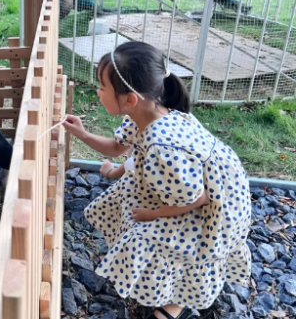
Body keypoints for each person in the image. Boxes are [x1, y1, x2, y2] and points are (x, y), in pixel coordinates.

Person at [62, 42, 251, 319]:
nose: (97, 92)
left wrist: (153, 214)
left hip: (214, 207)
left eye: (102, 87)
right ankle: (149, 277)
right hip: (188, 190)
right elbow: (118, 149)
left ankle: (178, 301)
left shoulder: (163, 147)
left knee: (155, 237)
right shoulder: (146, 114)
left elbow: (198, 197)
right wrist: (83, 134)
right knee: (129, 201)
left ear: (129, 99)